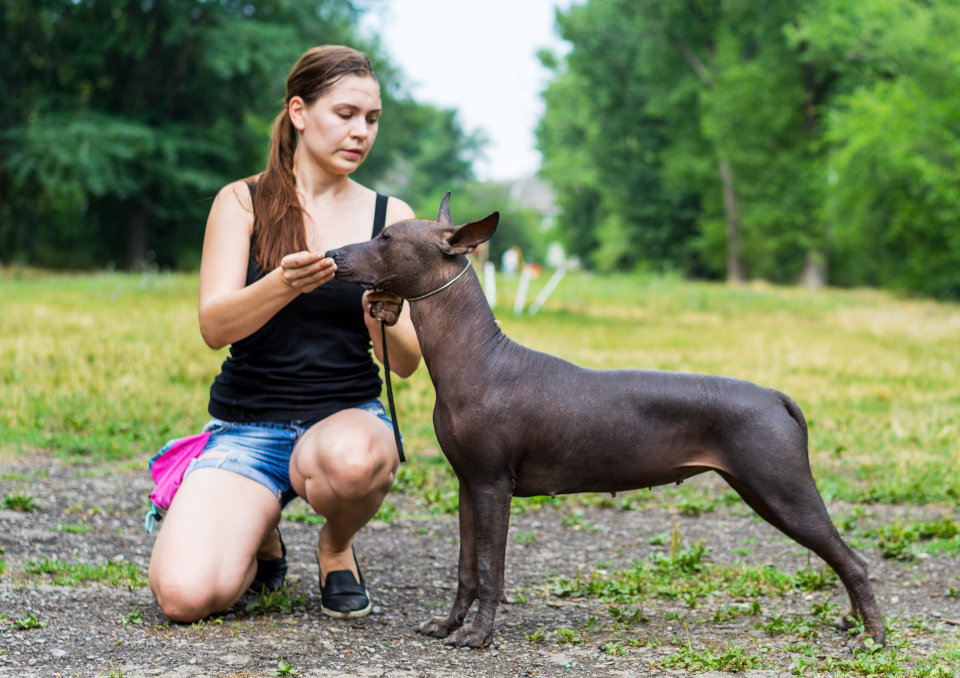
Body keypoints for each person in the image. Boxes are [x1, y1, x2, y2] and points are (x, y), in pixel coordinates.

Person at [148, 45, 421, 622]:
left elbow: (406, 364)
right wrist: (281, 284)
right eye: (345, 114)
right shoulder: (241, 202)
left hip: (342, 421)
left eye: (371, 119)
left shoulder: (391, 218)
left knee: (352, 461)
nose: (361, 132)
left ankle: (335, 545)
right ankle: (262, 531)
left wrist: (381, 314)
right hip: (246, 429)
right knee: (184, 597)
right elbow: (214, 327)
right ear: (299, 112)